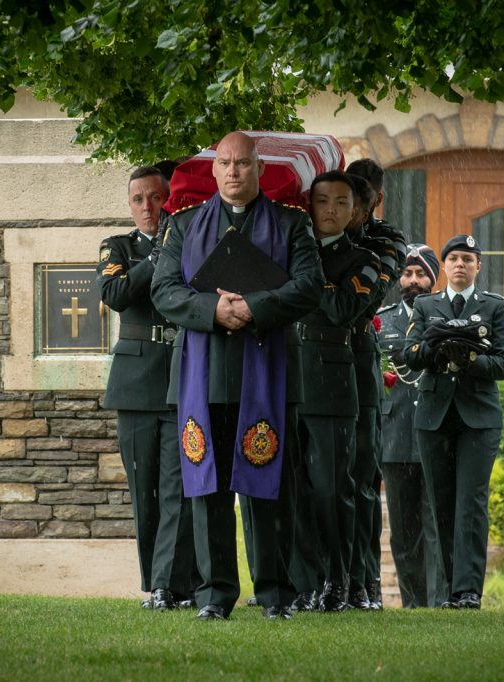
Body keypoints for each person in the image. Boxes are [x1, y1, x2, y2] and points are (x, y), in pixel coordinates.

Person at [151, 132, 324, 621]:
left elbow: (309, 286)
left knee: (271, 490)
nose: (233, 172)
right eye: (225, 163)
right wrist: (212, 309)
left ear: (259, 169)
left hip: (268, 373)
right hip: (203, 378)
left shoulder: (292, 225)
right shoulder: (183, 227)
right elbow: (164, 291)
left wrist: (255, 306)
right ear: (213, 170)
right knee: (207, 491)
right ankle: (214, 596)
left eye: (243, 163)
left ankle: (275, 595)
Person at [97, 166, 197, 611]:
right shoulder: (117, 247)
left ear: (169, 200)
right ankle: (153, 581)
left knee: (178, 487)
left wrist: (169, 251)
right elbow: (116, 293)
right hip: (136, 384)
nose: (147, 208)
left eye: (155, 198)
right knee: (145, 490)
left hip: (181, 377)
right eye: (138, 199)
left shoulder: (188, 244)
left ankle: (169, 585)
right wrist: (156, 259)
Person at [403, 234, 504, 609]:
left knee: (471, 502)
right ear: (444, 267)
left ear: (478, 266)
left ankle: (467, 591)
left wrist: (469, 361)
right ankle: (447, 592)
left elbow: (503, 364)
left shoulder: (494, 307)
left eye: (468, 259)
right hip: (434, 415)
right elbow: (410, 352)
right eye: (453, 259)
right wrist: (437, 347)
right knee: (441, 503)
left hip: (478, 418)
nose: (460, 264)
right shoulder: (426, 305)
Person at [291, 171, 381, 612]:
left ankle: (338, 581)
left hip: (330, 379)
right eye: (322, 200)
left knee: (332, 489)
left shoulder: (363, 260)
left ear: (355, 211)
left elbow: (343, 308)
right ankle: (302, 582)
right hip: (286, 377)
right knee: (294, 489)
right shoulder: (289, 250)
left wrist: (306, 272)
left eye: (340, 203)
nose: (329, 210)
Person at [345, 159, 408, 609]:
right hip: (315, 360)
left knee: (364, 478)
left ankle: (365, 582)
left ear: (376, 200)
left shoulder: (387, 240)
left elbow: (362, 296)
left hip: (358, 355)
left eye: (359, 198)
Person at [377, 243, 448, 608]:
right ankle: (413, 604)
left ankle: (439, 603)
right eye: (407, 273)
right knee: (404, 533)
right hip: (395, 435)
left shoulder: (443, 317)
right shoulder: (382, 319)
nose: (413, 280)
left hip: (436, 432)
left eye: (421, 274)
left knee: (436, 526)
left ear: (433, 279)